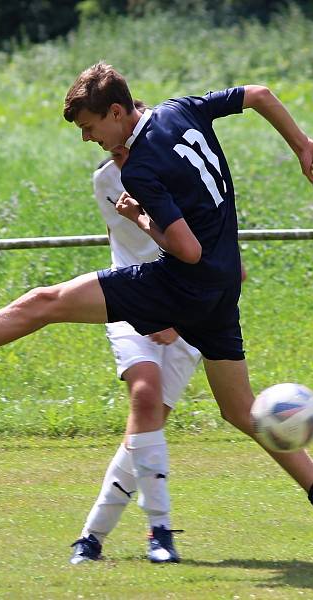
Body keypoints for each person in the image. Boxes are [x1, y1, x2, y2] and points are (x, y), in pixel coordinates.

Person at [0, 62, 313, 567]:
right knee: (241, 410)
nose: (88, 139)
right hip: (223, 287)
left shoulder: (138, 167)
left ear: (118, 112)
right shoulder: (181, 110)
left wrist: (140, 216)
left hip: (181, 285)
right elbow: (259, 93)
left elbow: (183, 249)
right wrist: (301, 144)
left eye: (90, 127)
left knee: (42, 304)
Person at [70, 141, 202, 565]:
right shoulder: (104, 179)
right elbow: (123, 248)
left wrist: (177, 316)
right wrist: (146, 306)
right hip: (132, 298)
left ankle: (90, 537)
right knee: (144, 395)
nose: (100, 142)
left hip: (190, 307)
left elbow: (204, 252)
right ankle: (160, 531)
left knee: (143, 434)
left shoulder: (179, 167)